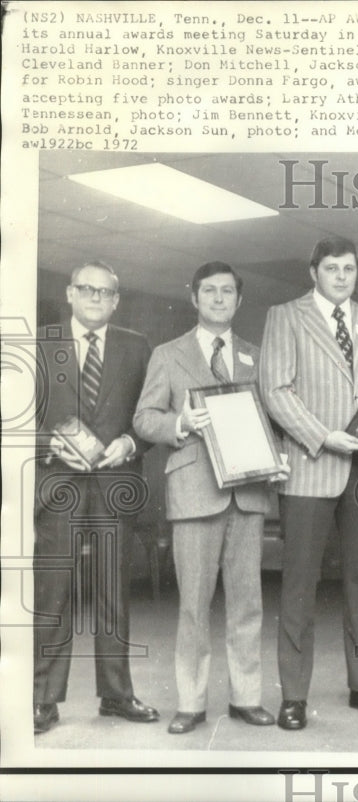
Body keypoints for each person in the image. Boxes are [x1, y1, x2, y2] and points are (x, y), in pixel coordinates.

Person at [259, 235, 358, 729]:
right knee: (299, 583)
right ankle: (294, 696)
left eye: (349, 269)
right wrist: (324, 437)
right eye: (332, 269)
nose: (342, 277)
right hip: (310, 465)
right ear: (313, 271)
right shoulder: (285, 315)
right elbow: (275, 390)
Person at [133, 262, 280, 734]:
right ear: (194, 298)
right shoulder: (168, 354)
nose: (219, 299)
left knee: (248, 603)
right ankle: (191, 703)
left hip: (248, 491)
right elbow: (143, 419)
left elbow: (272, 423)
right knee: (193, 605)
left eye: (228, 292)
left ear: (239, 300)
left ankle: (246, 697)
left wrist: (276, 456)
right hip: (195, 491)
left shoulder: (259, 356)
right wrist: (181, 424)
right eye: (209, 291)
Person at [33, 260, 159, 734]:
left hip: (113, 486)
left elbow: (147, 416)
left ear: (116, 300)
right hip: (58, 486)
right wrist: (49, 443)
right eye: (87, 290)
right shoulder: (41, 344)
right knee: (54, 595)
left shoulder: (135, 346)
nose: (95, 298)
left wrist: (130, 443)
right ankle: (43, 700)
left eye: (105, 293)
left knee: (113, 595)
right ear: (69, 294)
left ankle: (116, 695)